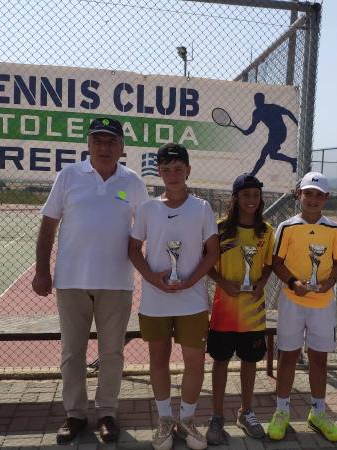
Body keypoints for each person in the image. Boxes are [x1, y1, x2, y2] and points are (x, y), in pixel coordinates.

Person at [32, 117, 148, 444]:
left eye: (111, 141)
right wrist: (42, 270)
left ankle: (107, 413)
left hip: (117, 282)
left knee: (112, 353)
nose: (104, 147)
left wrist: (155, 273)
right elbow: (48, 225)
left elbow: (146, 228)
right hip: (71, 280)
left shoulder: (133, 182)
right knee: (72, 352)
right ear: (88, 144)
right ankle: (75, 415)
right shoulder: (68, 176)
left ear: (122, 147)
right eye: (98, 140)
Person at [128, 143, 219, 450]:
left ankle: (188, 420)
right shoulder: (147, 209)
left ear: (188, 170)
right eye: (166, 170)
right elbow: (133, 249)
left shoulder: (202, 208)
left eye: (178, 169)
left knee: (194, 362)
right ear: (159, 172)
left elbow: (213, 252)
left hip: (192, 300)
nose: (172, 175)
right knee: (158, 360)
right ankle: (165, 420)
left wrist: (191, 280)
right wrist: (152, 278)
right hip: (155, 300)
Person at [267, 171, 337, 443]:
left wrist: (329, 283)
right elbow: (276, 262)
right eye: (308, 193)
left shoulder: (334, 229)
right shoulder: (286, 227)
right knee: (287, 356)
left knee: (319, 359)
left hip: (322, 303)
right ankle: (281, 411)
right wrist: (293, 282)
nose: (313, 199)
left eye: (318, 195)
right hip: (292, 301)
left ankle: (318, 412)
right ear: (299, 194)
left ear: (326, 198)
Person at [204, 173, 275, 445]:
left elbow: (269, 264)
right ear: (235, 198)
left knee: (250, 361)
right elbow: (206, 264)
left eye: (256, 195)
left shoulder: (266, 231)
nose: (251, 199)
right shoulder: (220, 229)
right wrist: (223, 282)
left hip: (253, 312)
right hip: (224, 312)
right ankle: (217, 415)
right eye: (246, 194)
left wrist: (262, 283)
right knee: (220, 361)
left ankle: (246, 412)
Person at [239, 93, 298, 175]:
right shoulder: (258, 112)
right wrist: (246, 132)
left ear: (262, 100)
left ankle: (252, 174)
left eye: (258, 100)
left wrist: (297, 124)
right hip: (273, 134)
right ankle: (292, 160)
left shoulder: (271, 108)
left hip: (280, 133)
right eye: (256, 100)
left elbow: (288, 112)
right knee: (272, 155)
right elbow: (252, 128)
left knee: (264, 153)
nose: (257, 102)